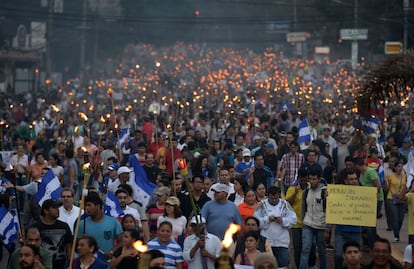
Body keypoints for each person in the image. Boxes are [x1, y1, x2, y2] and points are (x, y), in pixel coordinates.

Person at [254, 186, 297, 269]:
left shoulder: (285, 204)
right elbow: (256, 222)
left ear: (279, 195)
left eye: (276, 198)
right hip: (266, 241)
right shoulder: (262, 205)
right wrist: (267, 219)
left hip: (282, 242)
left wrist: (283, 221)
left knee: (283, 265)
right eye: (271, 198)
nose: (274, 200)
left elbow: (294, 219)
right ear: (268, 195)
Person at [77, 191, 123, 261]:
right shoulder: (82, 224)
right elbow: (76, 245)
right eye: (86, 205)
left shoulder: (113, 222)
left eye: (89, 205)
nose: (87, 208)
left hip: (107, 263)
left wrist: (112, 252)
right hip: (89, 263)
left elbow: (122, 241)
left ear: (98, 206)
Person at [285, 169, 316, 269]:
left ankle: (312, 265)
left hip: (310, 222)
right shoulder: (291, 189)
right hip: (296, 224)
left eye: (305, 180)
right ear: (298, 179)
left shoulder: (312, 188)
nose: (303, 182)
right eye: (301, 180)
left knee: (311, 246)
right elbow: (287, 203)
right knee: (297, 248)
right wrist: (295, 192)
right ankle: (299, 266)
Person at [299, 168, 329, 269]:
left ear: (319, 179)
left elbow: (329, 210)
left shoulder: (325, 192)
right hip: (307, 224)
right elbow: (303, 208)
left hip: (321, 226)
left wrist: (327, 229)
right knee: (305, 249)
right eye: (310, 179)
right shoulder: (306, 191)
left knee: (322, 251)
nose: (312, 181)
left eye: (314, 179)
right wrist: (304, 221)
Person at [34, 198, 73, 269]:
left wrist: (70, 264)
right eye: (54, 208)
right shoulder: (35, 228)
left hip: (61, 265)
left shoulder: (64, 226)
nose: (57, 210)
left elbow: (69, 247)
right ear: (46, 211)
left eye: (57, 207)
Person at [334, 171, 362, 269]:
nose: (354, 181)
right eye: (351, 179)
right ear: (346, 181)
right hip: (341, 230)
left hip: (356, 231)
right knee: (338, 255)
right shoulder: (338, 193)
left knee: (355, 258)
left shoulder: (363, 194)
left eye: (355, 179)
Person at [355, 157, 382, 249]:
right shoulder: (361, 174)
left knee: (370, 224)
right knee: (365, 223)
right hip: (366, 200)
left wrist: (374, 197)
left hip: (374, 200)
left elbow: (377, 185)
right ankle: (367, 242)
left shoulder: (370, 172)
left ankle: (372, 243)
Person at [385, 160, 408, 243]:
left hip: (401, 198)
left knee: (401, 218)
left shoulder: (404, 176)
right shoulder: (390, 176)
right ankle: (396, 236)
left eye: (401, 166)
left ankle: (397, 231)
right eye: (398, 166)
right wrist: (386, 182)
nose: (400, 168)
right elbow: (386, 189)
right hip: (391, 198)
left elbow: (406, 187)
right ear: (395, 167)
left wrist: (403, 195)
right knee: (395, 217)